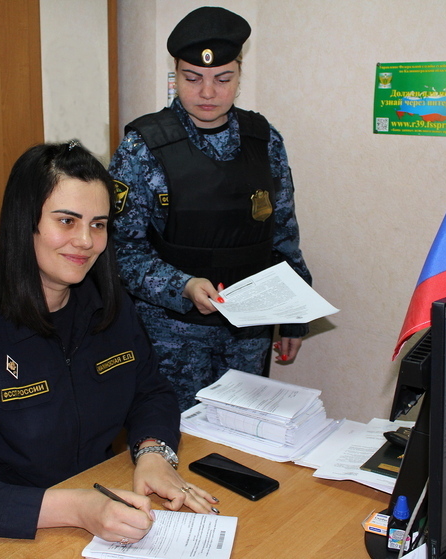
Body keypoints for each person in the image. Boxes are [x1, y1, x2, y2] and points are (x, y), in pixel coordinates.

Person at [0, 141, 218, 543]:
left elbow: (150, 390)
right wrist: (74, 508)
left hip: (94, 513)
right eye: (66, 221)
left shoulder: (108, 304)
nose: (86, 241)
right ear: (24, 222)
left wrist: (152, 451)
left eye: (98, 224)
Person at [109, 6, 312, 411]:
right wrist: (182, 286)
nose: (207, 92)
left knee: (243, 437)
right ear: (175, 75)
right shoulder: (142, 147)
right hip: (170, 336)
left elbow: (282, 236)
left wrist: (294, 315)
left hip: (248, 334)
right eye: (192, 78)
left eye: (223, 79)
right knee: (172, 437)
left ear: (239, 75)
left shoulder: (264, 140)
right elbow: (122, 251)